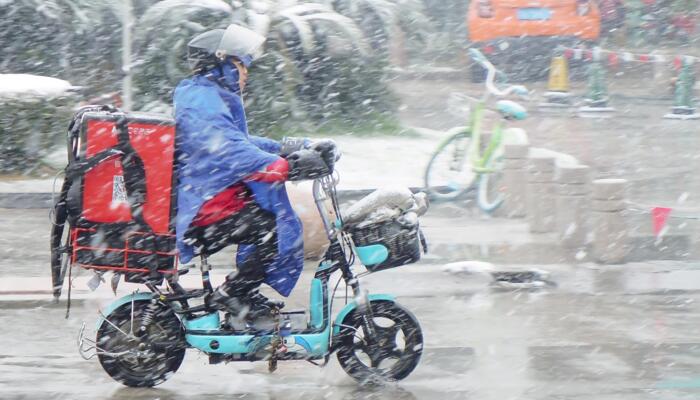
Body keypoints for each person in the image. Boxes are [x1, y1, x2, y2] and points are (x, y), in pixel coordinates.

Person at [173, 24, 336, 320]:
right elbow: (231, 150)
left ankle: (241, 291)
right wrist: (287, 167)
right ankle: (232, 293)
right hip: (204, 205)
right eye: (241, 64)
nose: (246, 72)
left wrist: (293, 147)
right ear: (221, 63)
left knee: (272, 225)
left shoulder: (208, 94)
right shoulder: (202, 100)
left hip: (214, 197)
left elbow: (242, 141)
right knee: (273, 230)